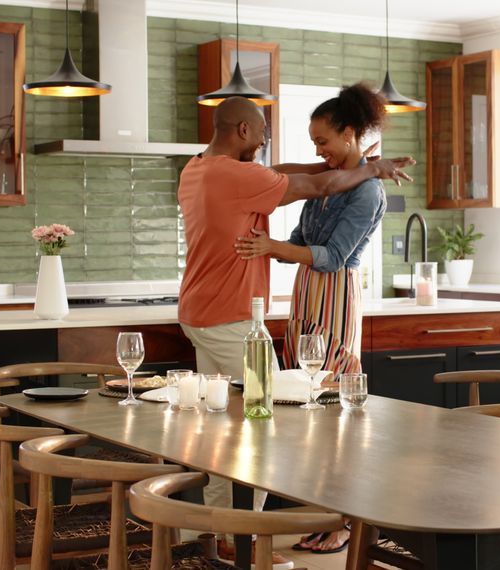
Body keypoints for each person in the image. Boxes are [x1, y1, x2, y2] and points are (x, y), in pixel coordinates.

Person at [177, 96, 414, 564]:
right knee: (263, 430)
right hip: (231, 318)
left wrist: (353, 166)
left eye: (323, 141)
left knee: (224, 427)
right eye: (262, 132)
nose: (267, 143)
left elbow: (294, 176)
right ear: (244, 131)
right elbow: (312, 182)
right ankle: (242, 541)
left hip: (203, 313)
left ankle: (216, 534)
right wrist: (370, 167)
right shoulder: (238, 175)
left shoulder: (198, 166)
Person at [234, 83, 389, 554]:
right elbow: (301, 237)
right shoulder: (329, 184)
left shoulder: (368, 190)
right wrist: (269, 241)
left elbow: (334, 256)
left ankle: (343, 523)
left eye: (323, 141)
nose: (318, 151)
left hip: (336, 295)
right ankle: (322, 514)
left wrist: (276, 248)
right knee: (306, 409)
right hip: (305, 294)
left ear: (348, 133)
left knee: (333, 413)